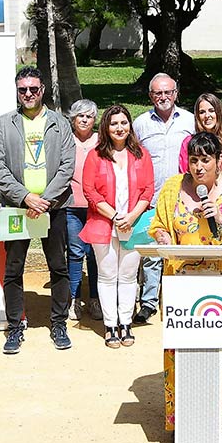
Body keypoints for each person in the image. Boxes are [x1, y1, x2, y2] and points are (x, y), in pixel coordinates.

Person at [149, 132, 222, 434]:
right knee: (182, 354)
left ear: (218, 161)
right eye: (194, 160)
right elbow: (159, 225)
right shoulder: (173, 187)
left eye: (205, 160)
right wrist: (161, 236)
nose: (199, 167)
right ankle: (186, 425)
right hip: (181, 286)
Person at [0, 66, 76, 354]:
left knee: (59, 267)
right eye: (22, 89)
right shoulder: (4, 124)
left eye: (33, 89)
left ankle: (59, 323)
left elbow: (67, 167)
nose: (28, 93)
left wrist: (46, 200)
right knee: (14, 270)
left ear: (43, 91)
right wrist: (27, 197)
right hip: (18, 208)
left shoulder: (60, 123)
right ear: (17, 91)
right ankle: (14, 327)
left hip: (54, 207)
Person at [80, 105, 154, 348]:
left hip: (133, 223)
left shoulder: (141, 154)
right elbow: (89, 191)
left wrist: (131, 216)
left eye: (123, 122)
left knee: (129, 275)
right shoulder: (95, 155)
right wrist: (114, 216)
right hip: (104, 223)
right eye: (114, 124)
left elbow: (148, 190)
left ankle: (126, 322)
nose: (119, 128)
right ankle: (110, 325)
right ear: (106, 127)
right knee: (108, 275)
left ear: (129, 125)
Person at [132, 73, 195, 323]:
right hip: (152, 197)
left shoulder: (190, 120)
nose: (163, 97)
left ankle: (178, 301)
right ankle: (148, 303)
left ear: (176, 93)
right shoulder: (141, 123)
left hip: (184, 198)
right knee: (152, 254)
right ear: (150, 96)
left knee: (182, 250)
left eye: (168, 92)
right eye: (158, 93)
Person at [67, 99, 102, 321]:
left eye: (89, 116)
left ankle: (96, 300)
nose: (84, 120)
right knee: (75, 252)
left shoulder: (101, 141)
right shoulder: (65, 141)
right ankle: (74, 300)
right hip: (72, 206)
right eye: (80, 115)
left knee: (95, 255)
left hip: (97, 207)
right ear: (73, 119)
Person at [179, 93, 222, 180]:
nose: (207, 116)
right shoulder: (188, 142)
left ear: (219, 113)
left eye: (211, 110)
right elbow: (184, 175)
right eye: (202, 112)